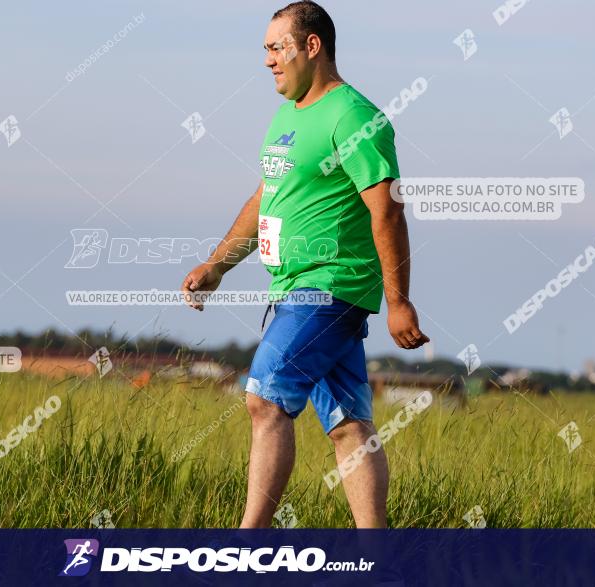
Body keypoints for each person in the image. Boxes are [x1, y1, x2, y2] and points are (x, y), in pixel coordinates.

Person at [180, 1, 429, 529]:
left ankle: (250, 543)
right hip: (291, 288)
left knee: (264, 399)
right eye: (266, 50)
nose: (268, 60)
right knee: (349, 426)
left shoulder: (355, 117)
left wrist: (398, 301)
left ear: (310, 46)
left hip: (328, 290)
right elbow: (268, 195)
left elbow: (387, 209)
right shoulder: (287, 115)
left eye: (276, 47)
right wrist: (218, 265)